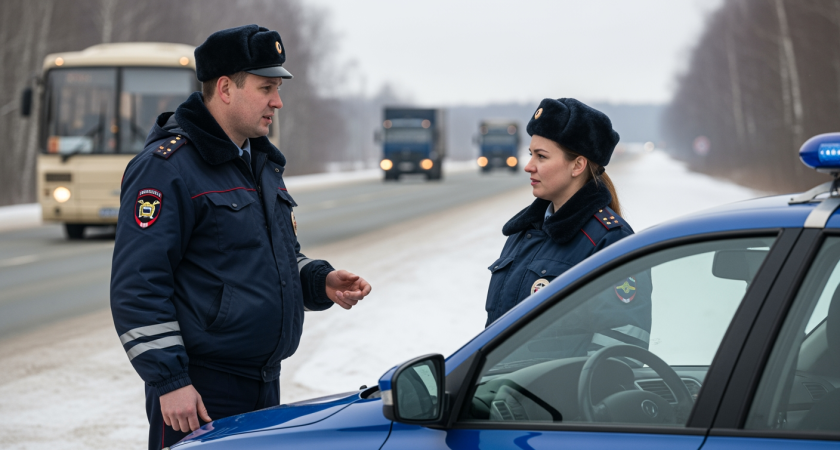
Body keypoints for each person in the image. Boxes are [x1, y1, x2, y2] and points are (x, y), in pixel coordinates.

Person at [109, 25, 372, 450]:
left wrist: (318, 281)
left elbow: (266, 257)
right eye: (266, 87)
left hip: (264, 384)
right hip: (201, 393)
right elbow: (138, 285)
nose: (278, 101)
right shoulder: (167, 168)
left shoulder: (258, 162)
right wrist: (170, 380)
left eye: (279, 88)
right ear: (226, 88)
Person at [484, 98, 650, 355]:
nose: (529, 166)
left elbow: (620, 359)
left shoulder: (611, 241)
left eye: (541, 156)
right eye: (531, 154)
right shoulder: (524, 233)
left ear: (578, 165)